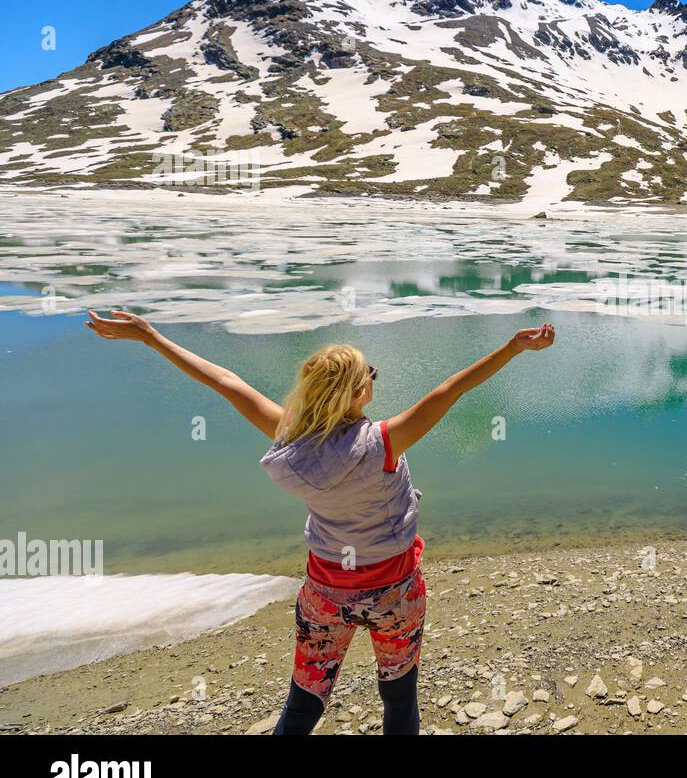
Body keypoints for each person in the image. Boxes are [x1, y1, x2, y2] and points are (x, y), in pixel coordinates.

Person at [84, 309, 555, 734]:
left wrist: (151, 338)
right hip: (395, 593)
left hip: (324, 595)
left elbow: (224, 382)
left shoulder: (290, 438)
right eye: (370, 374)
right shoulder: (385, 441)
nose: (374, 379)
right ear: (357, 392)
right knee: (398, 698)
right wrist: (513, 348)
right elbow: (451, 390)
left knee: (305, 701)